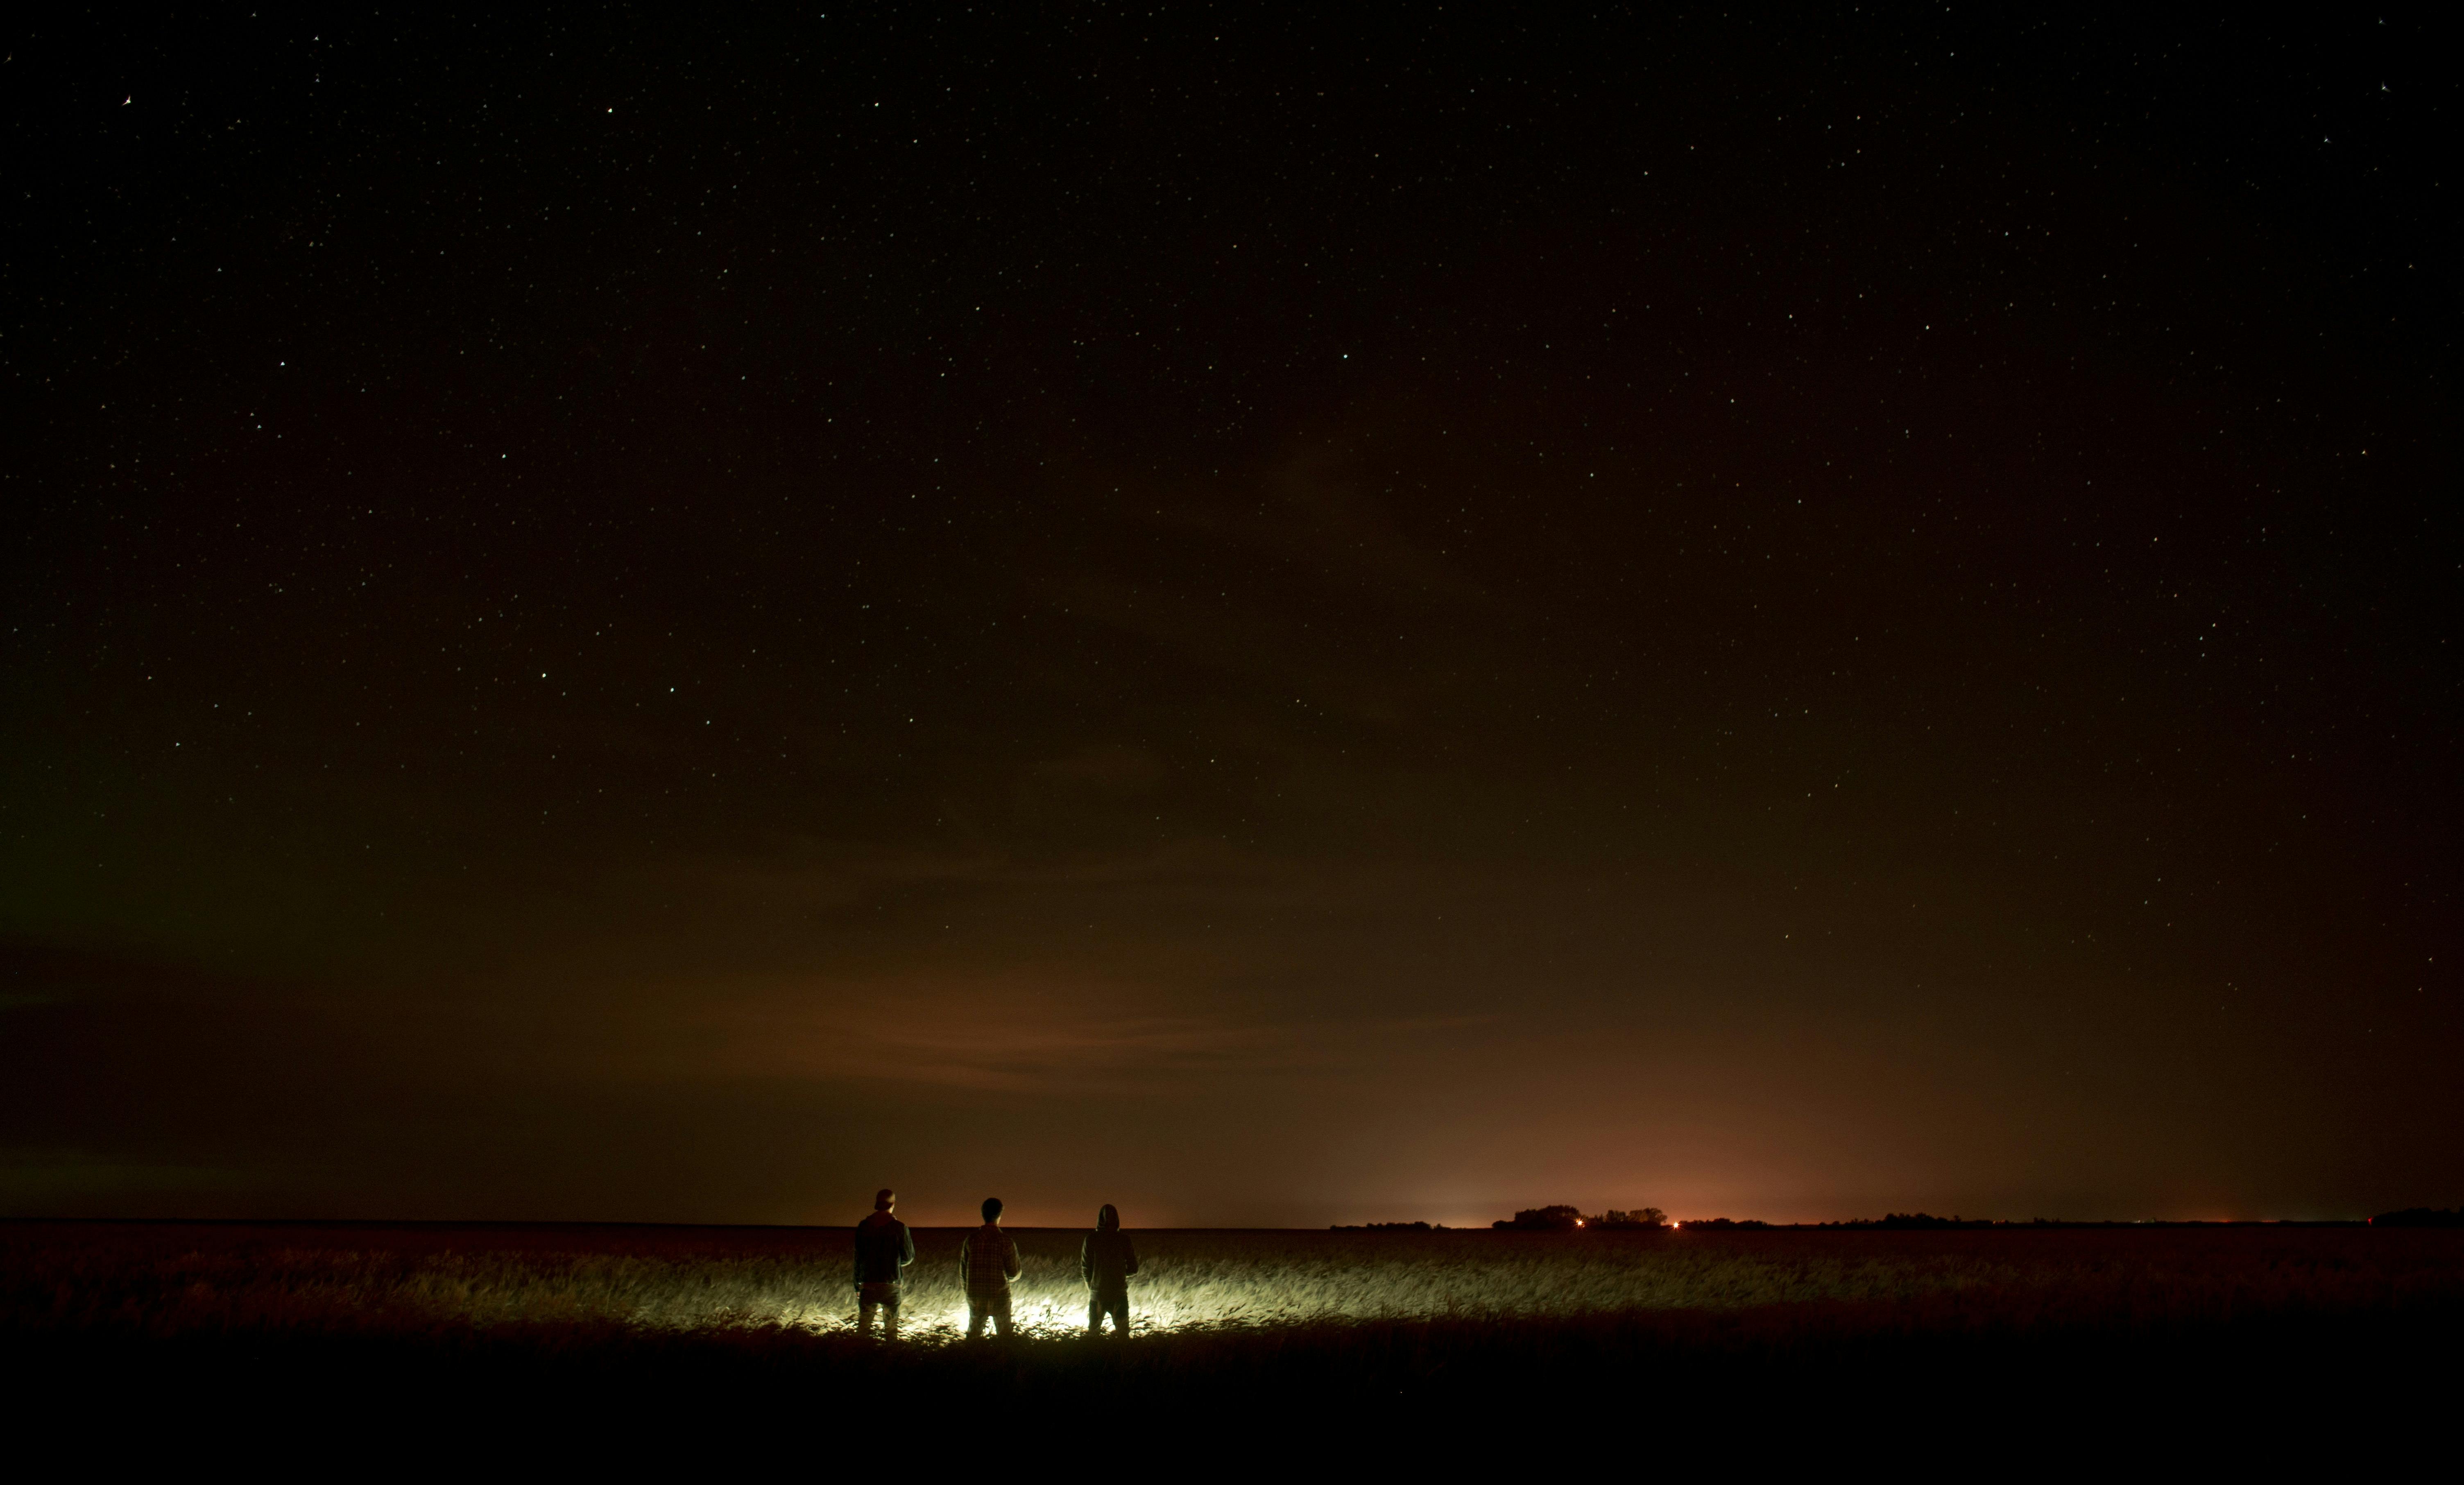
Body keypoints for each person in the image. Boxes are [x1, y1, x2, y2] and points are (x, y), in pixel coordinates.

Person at [852, 1188, 915, 1340]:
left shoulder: (864, 1226)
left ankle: (859, 1359)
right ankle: (890, 1359)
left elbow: (858, 1258)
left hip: (868, 1285)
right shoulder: (900, 1228)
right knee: (891, 1331)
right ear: (893, 1204)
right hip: (891, 1285)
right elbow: (908, 1257)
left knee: (864, 1330)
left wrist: (857, 1285)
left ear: (877, 1204)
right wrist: (894, 1263)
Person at [958, 1196, 1021, 1339]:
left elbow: (963, 1272)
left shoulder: (971, 1240)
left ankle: (969, 1359)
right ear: (1000, 1215)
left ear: (982, 1214)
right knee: (1005, 1338)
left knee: (973, 1336)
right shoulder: (1006, 1241)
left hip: (976, 1295)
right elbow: (1014, 1273)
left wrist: (970, 1293)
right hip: (1000, 1296)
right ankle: (1004, 1360)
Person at [1080, 1202, 1138, 1338]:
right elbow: (1134, 1269)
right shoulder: (1124, 1239)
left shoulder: (1091, 1239)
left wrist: (1093, 1288)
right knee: (1123, 1338)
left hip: (1098, 1295)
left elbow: (1086, 1270)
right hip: (1118, 1295)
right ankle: (1121, 1358)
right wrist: (1119, 1273)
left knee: (1093, 1337)